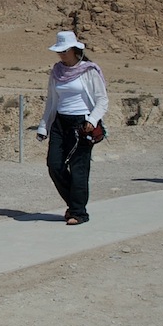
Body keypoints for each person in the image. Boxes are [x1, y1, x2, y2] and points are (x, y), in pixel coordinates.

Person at [35, 31, 110, 224]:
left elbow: (102, 100)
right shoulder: (57, 71)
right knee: (54, 165)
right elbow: (51, 100)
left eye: (64, 50)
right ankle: (75, 203)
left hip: (82, 124)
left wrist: (92, 120)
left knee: (79, 168)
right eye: (59, 51)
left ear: (74, 50)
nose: (61, 54)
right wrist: (44, 125)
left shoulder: (89, 70)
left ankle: (78, 213)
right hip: (60, 122)